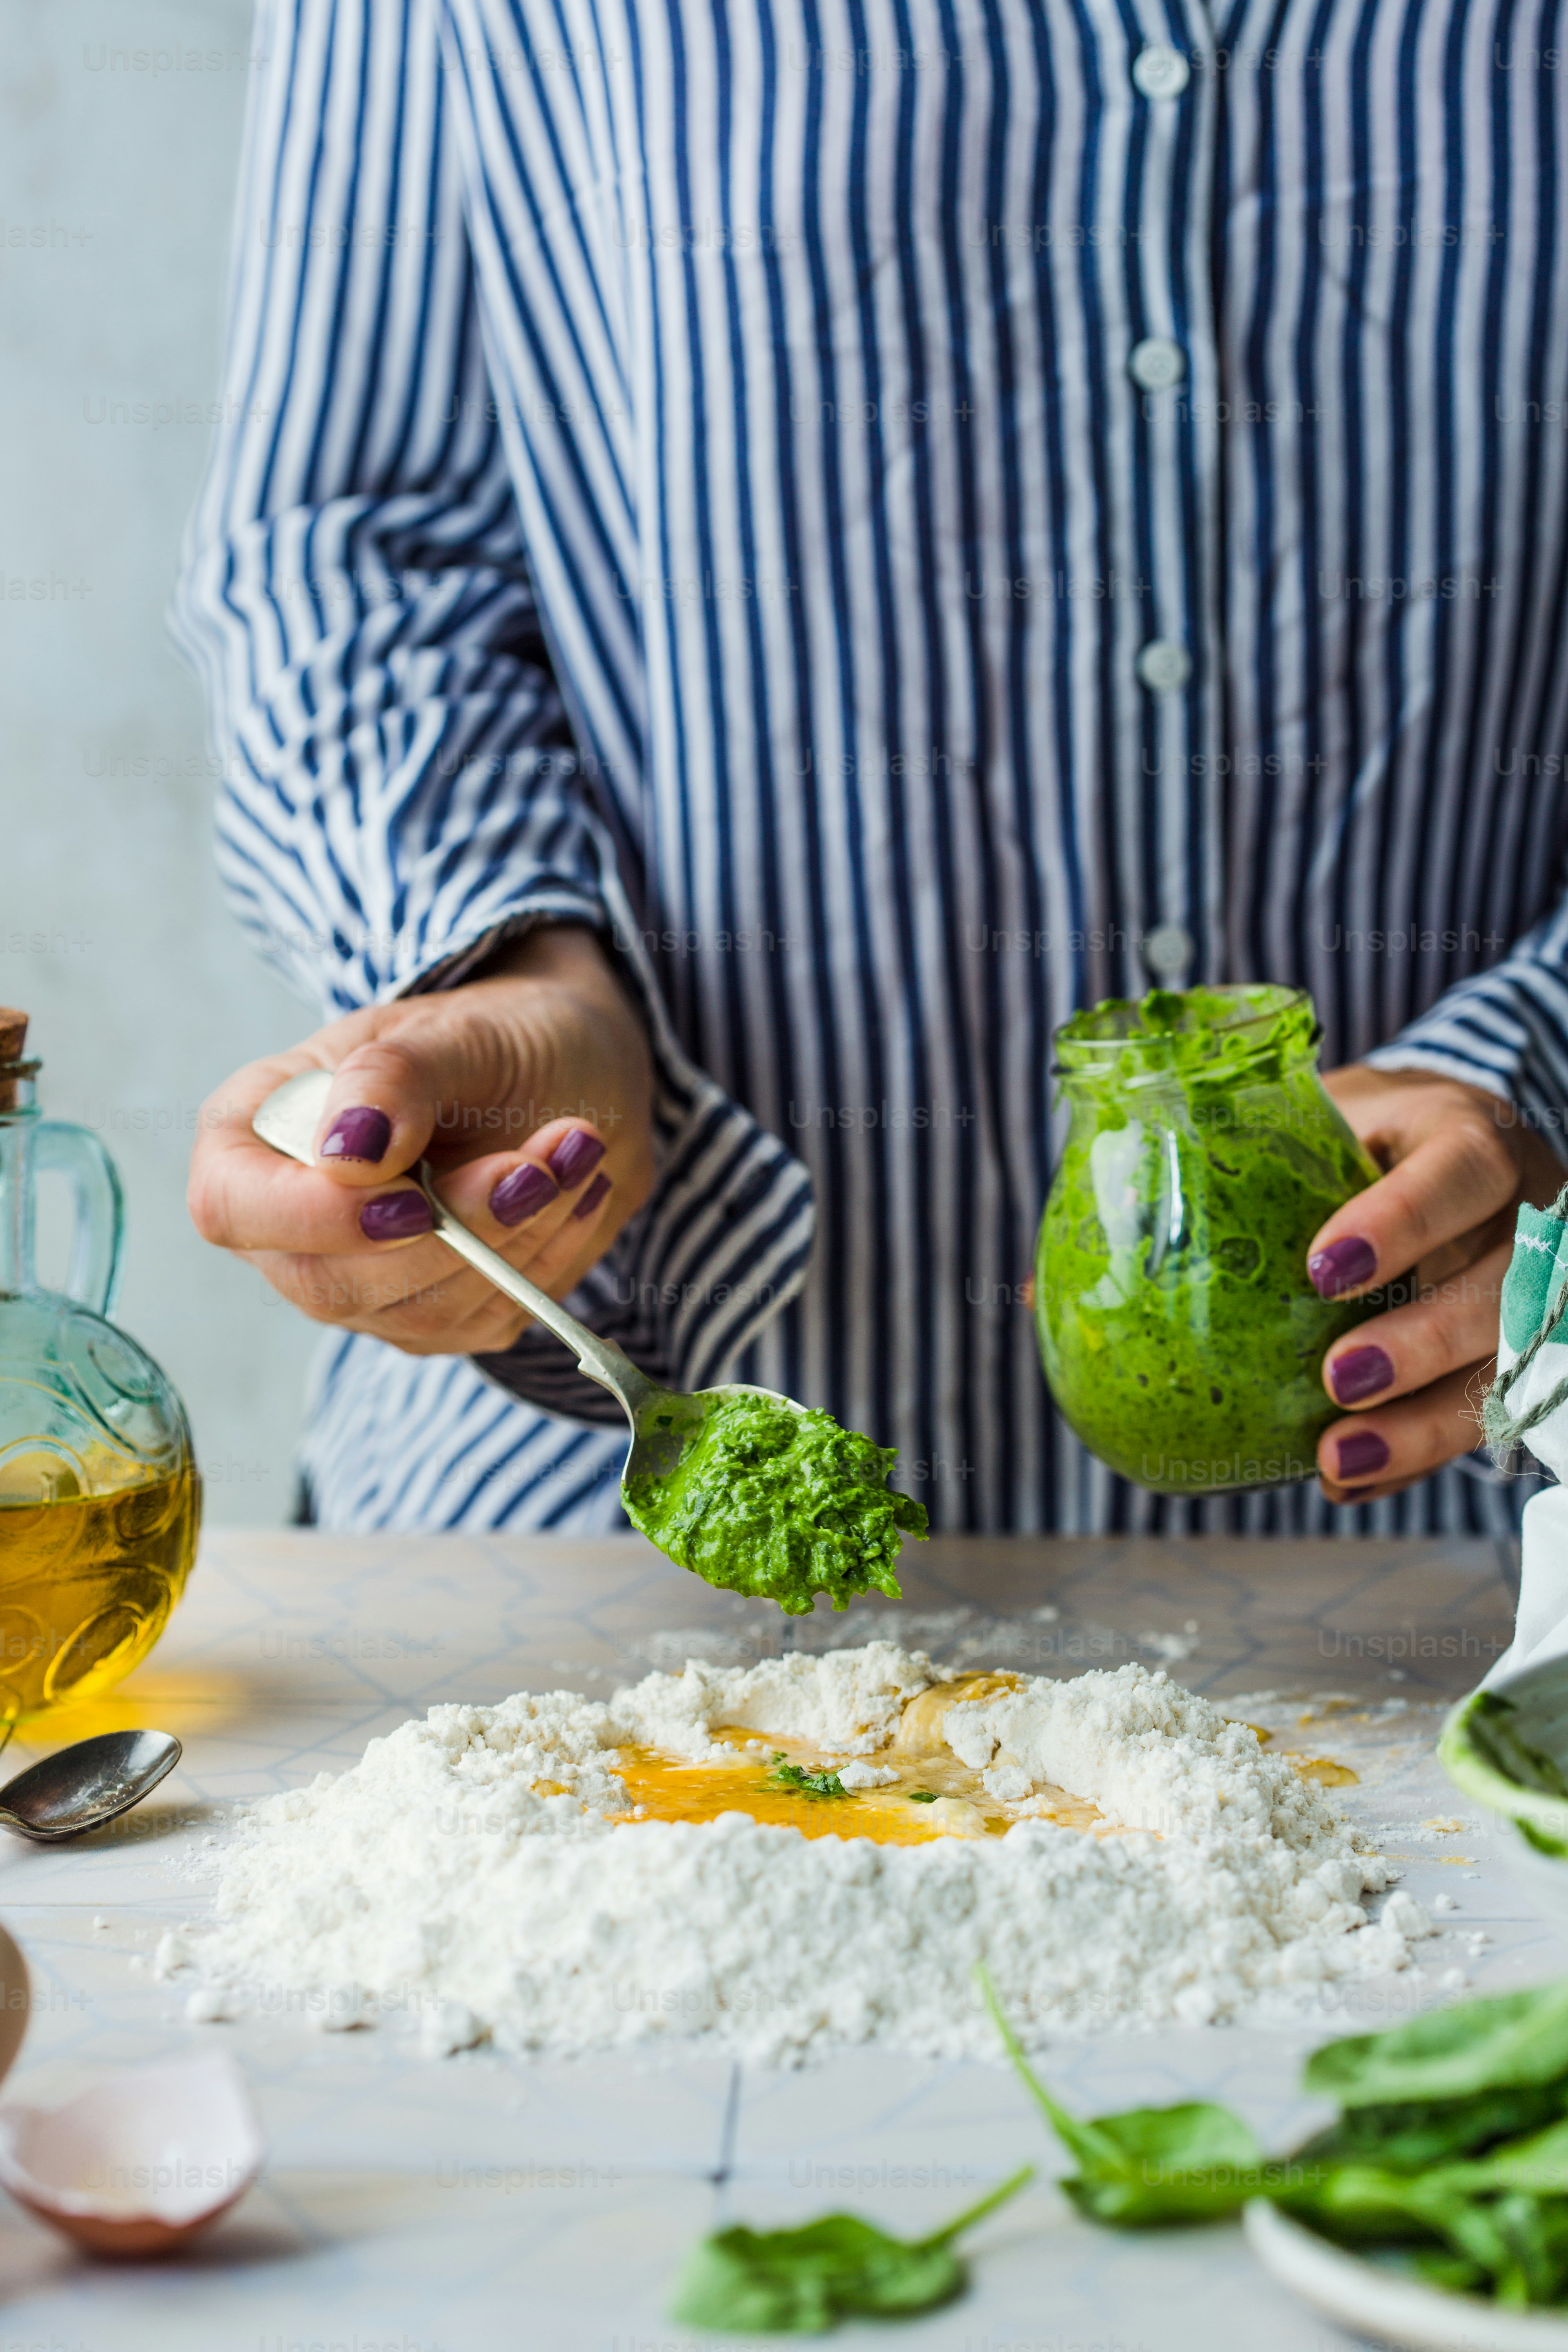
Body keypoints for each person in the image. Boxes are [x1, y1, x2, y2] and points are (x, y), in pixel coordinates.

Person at [178, 0, 1568, 1537]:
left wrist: (1537, 1062)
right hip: (596, 1527)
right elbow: (347, 549)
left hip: (1477, 1521)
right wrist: (517, 971)